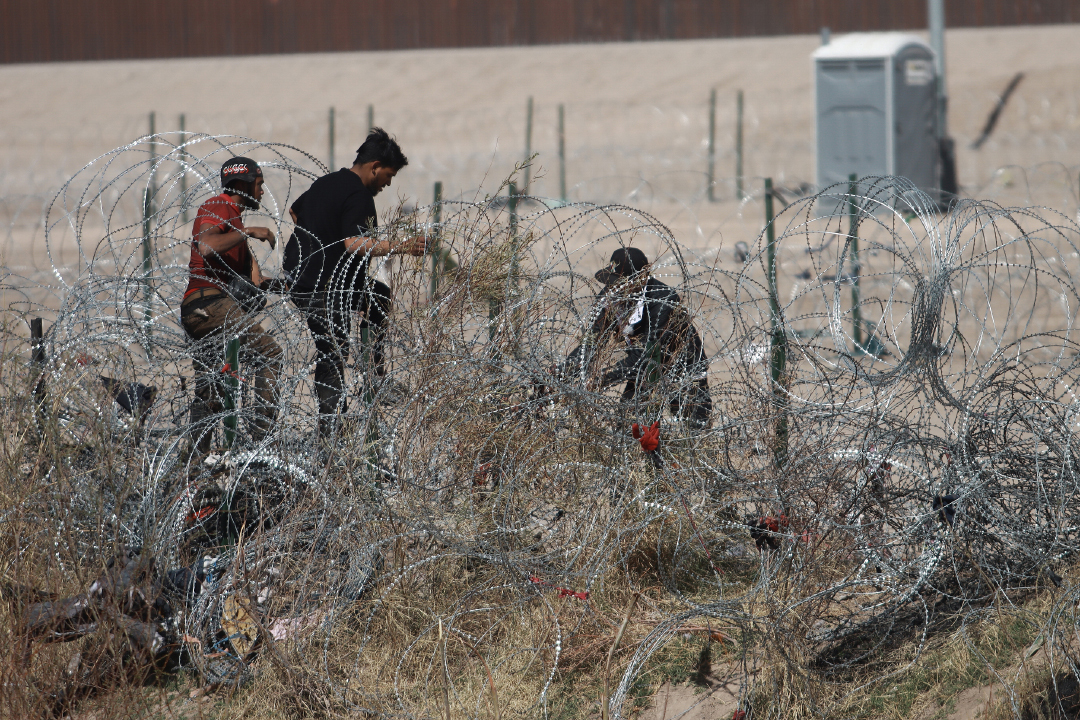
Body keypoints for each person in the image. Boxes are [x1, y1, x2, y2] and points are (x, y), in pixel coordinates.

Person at [283, 128, 426, 437]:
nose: (387, 184)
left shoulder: (327, 183)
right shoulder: (359, 194)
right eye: (387, 175)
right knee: (333, 350)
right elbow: (353, 243)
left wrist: (318, 240)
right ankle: (332, 428)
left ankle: (373, 376)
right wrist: (401, 246)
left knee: (376, 297)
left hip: (302, 275)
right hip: (324, 284)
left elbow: (296, 212)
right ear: (374, 167)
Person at [180, 157, 282, 453]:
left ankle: (194, 464)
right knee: (270, 353)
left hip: (203, 309)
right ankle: (260, 448)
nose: (262, 192)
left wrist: (292, 286)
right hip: (211, 304)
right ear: (243, 184)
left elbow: (256, 282)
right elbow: (207, 245)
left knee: (209, 390)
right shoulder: (219, 206)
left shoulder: (234, 220)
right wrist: (249, 232)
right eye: (259, 185)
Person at [563, 247, 712, 426]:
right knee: (627, 424)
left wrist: (603, 378)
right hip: (643, 370)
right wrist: (563, 372)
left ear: (642, 278)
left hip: (680, 368)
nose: (614, 288)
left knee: (692, 429)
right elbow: (593, 342)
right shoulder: (609, 297)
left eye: (621, 282)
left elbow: (644, 353)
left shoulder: (663, 301)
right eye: (611, 281)